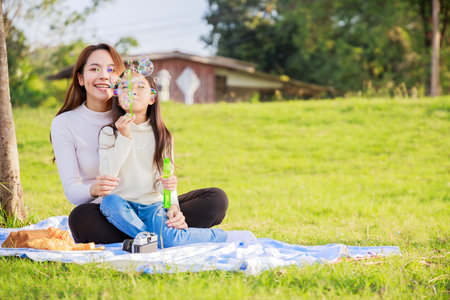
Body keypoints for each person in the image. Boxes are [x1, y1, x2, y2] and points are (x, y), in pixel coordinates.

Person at [50, 44, 229, 244]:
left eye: (111, 70)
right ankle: (161, 237)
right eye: (94, 69)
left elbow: (163, 173)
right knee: (80, 219)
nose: (103, 75)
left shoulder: (139, 113)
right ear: (81, 78)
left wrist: (174, 207)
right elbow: (73, 190)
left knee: (216, 200)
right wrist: (94, 189)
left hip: (151, 204)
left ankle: (151, 236)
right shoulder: (69, 124)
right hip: (108, 210)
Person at [98, 69, 228, 247]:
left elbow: (164, 180)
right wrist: (124, 137)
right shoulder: (108, 133)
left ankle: (218, 236)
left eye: (140, 86)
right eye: (124, 86)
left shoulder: (162, 136)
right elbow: (107, 174)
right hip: (121, 206)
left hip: (152, 205)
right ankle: (152, 239)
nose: (131, 90)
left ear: (152, 98)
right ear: (118, 98)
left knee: (170, 238)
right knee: (109, 202)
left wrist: (173, 205)